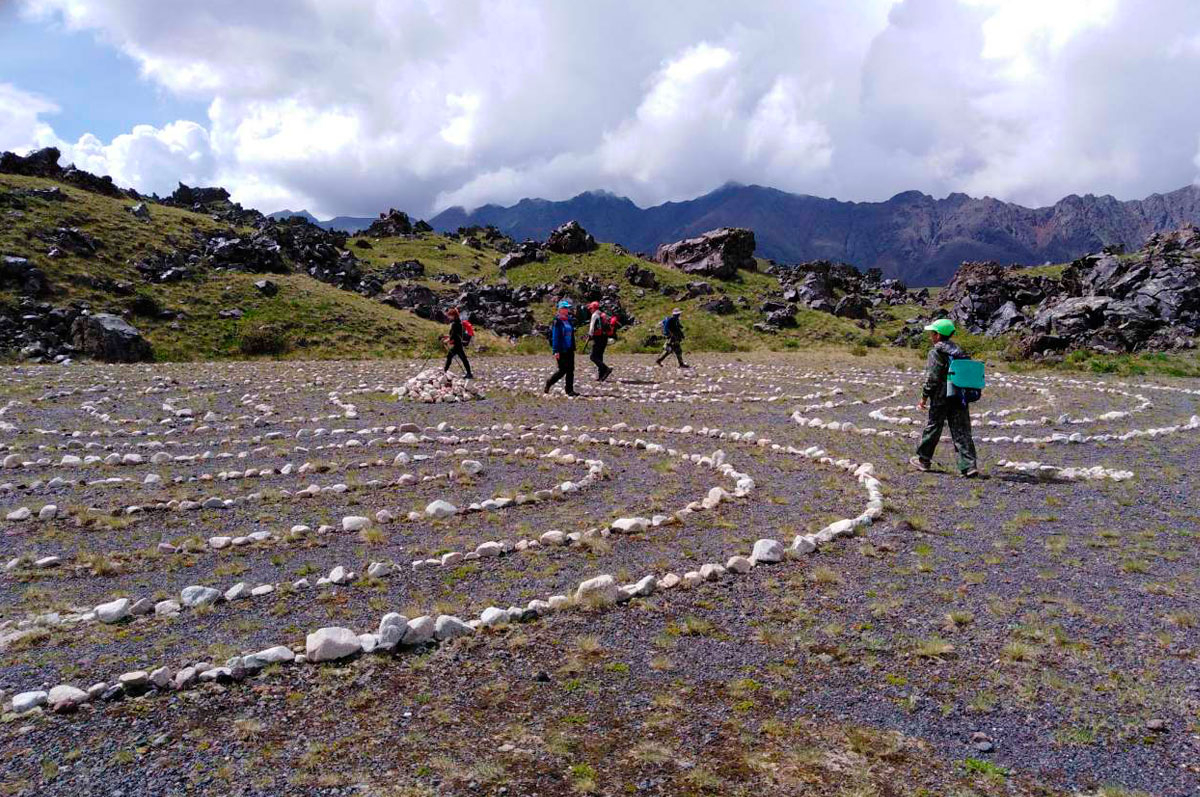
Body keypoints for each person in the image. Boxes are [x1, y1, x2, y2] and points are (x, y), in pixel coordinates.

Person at [910, 318, 979, 477]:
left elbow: (932, 378)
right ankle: (969, 466)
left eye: (932, 333)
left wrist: (924, 397)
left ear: (938, 335)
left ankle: (923, 460)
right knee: (962, 430)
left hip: (941, 397)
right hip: (959, 395)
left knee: (933, 427)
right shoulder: (959, 351)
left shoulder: (936, 352)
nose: (930, 336)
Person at [544, 300, 578, 396]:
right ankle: (549, 382)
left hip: (569, 348)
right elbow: (555, 336)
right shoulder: (557, 321)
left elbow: (571, 334)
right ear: (560, 309)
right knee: (562, 370)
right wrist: (556, 351)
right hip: (561, 349)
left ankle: (569, 390)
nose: (567, 309)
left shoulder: (569, 320)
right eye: (565, 308)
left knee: (571, 369)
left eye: (567, 308)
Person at [585, 301, 614, 382]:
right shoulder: (602, 314)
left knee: (593, 357)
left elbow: (591, 327)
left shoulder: (594, 315)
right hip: (605, 337)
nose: (590, 310)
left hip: (598, 337)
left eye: (590, 308)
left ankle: (606, 369)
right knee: (599, 356)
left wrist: (590, 335)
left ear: (593, 308)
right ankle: (601, 376)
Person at [441, 307, 473, 379]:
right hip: (458, 344)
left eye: (449, 315)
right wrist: (445, 337)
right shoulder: (458, 323)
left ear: (453, 315)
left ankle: (445, 371)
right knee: (461, 358)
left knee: (457, 357)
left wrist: (446, 340)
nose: (448, 317)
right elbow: (453, 335)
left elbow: (453, 336)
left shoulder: (455, 324)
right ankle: (468, 373)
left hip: (457, 344)